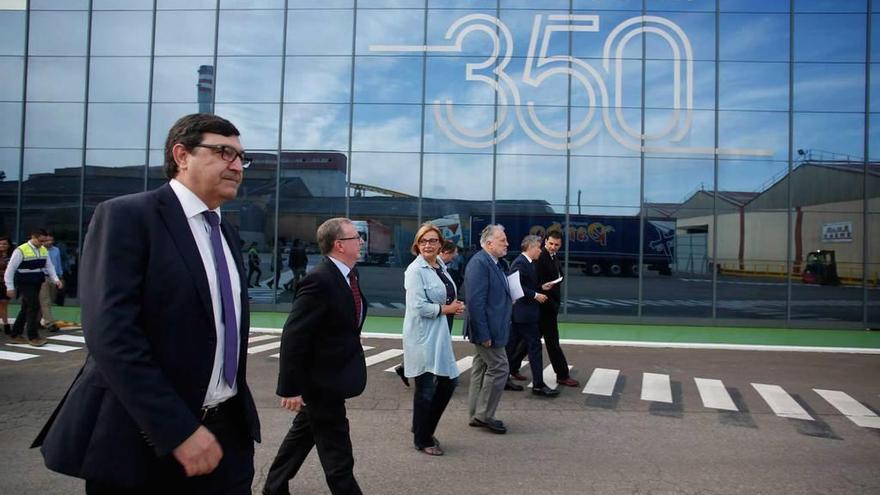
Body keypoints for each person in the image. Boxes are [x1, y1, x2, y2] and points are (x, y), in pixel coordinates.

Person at [31, 113, 261, 494]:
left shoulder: (227, 233)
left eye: (240, 157)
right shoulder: (127, 216)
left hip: (226, 439)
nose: (236, 165)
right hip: (144, 442)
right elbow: (111, 336)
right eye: (223, 152)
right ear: (181, 155)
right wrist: (177, 430)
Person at [263, 217, 368, 495]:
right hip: (322, 382)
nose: (361, 242)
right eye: (356, 237)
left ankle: (274, 487)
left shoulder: (348, 276)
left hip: (333, 375)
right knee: (338, 456)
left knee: (303, 434)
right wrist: (291, 388)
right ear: (339, 245)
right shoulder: (319, 281)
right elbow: (294, 336)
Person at [402, 223, 464, 456]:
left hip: (439, 333)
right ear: (417, 245)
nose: (428, 244)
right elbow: (418, 306)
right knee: (427, 387)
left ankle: (422, 427)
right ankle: (423, 438)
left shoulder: (439, 265)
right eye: (424, 241)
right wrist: (446, 309)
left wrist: (454, 306)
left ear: (440, 244)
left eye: (433, 241)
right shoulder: (415, 270)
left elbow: (446, 294)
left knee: (448, 383)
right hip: (422, 335)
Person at [463, 224, 512, 434]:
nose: (507, 243)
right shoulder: (480, 263)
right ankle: (485, 415)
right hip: (487, 330)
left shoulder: (495, 263)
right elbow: (475, 302)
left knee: (481, 368)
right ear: (489, 243)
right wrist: (483, 334)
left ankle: (476, 413)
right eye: (503, 240)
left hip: (493, 328)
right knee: (500, 367)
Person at [505, 235, 560, 397]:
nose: (540, 250)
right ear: (530, 247)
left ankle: (503, 378)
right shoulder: (520, 263)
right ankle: (538, 385)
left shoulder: (528, 263)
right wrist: (536, 295)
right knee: (534, 348)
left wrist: (541, 286)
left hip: (523, 314)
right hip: (525, 314)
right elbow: (516, 286)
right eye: (538, 247)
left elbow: (527, 284)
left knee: (510, 346)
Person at [534, 231, 578, 387]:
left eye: (556, 245)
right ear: (545, 241)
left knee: (528, 341)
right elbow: (535, 281)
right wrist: (541, 288)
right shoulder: (540, 257)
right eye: (551, 243)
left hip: (550, 305)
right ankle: (562, 374)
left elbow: (560, 275)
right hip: (545, 306)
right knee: (553, 343)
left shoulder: (553, 257)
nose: (553, 247)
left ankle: (511, 366)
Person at [4, 228, 61, 347]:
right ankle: (33, 336)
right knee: (34, 305)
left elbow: (49, 266)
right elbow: (10, 270)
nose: (43, 243)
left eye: (44, 241)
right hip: (25, 281)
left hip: (37, 281)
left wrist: (56, 279)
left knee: (26, 307)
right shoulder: (21, 250)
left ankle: (16, 334)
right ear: (33, 237)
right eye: (41, 241)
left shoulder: (43, 250)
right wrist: (9, 287)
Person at [39, 233, 63, 328]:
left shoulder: (56, 250)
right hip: (43, 276)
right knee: (46, 300)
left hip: (55, 277)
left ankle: (40, 319)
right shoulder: (40, 250)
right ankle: (50, 322)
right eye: (47, 240)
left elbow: (58, 263)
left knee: (52, 299)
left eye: (51, 240)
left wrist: (60, 276)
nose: (50, 242)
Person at [0, 236, 11, 335]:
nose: (2, 246)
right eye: (0, 244)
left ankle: (6, 324)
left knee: (4, 303)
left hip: (6, 283)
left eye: (4, 244)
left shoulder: (12, 255)